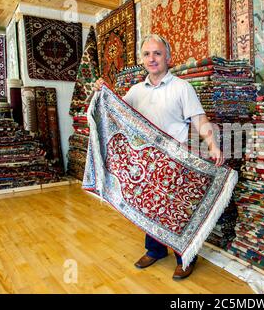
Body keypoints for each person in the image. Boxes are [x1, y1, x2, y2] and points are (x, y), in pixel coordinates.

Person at [94, 34, 224, 279]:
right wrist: (103, 92)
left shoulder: (181, 88)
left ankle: (185, 257)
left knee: (176, 210)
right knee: (149, 207)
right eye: (147, 54)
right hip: (144, 161)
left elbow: (199, 119)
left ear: (168, 57)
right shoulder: (135, 91)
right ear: (142, 59)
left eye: (157, 53)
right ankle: (155, 250)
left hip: (174, 160)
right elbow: (117, 115)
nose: (151, 59)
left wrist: (212, 145)